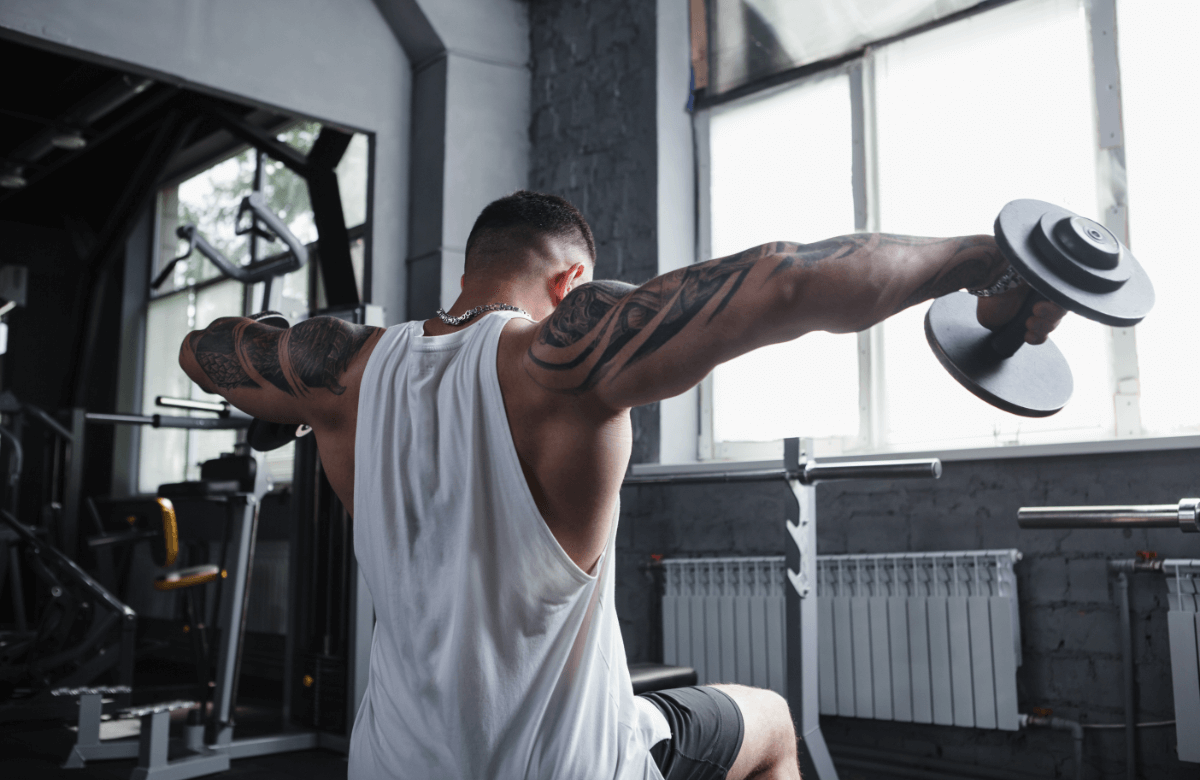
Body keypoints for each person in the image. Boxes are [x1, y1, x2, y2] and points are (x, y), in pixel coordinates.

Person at [178, 190, 1065, 780]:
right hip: (570, 767)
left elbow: (203, 351)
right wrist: (980, 259)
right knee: (773, 726)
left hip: (392, 763)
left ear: (469, 269)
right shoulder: (557, 360)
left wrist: (290, 404)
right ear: (570, 283)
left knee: (722, 716)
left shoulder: (339, 372)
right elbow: (785, 282)